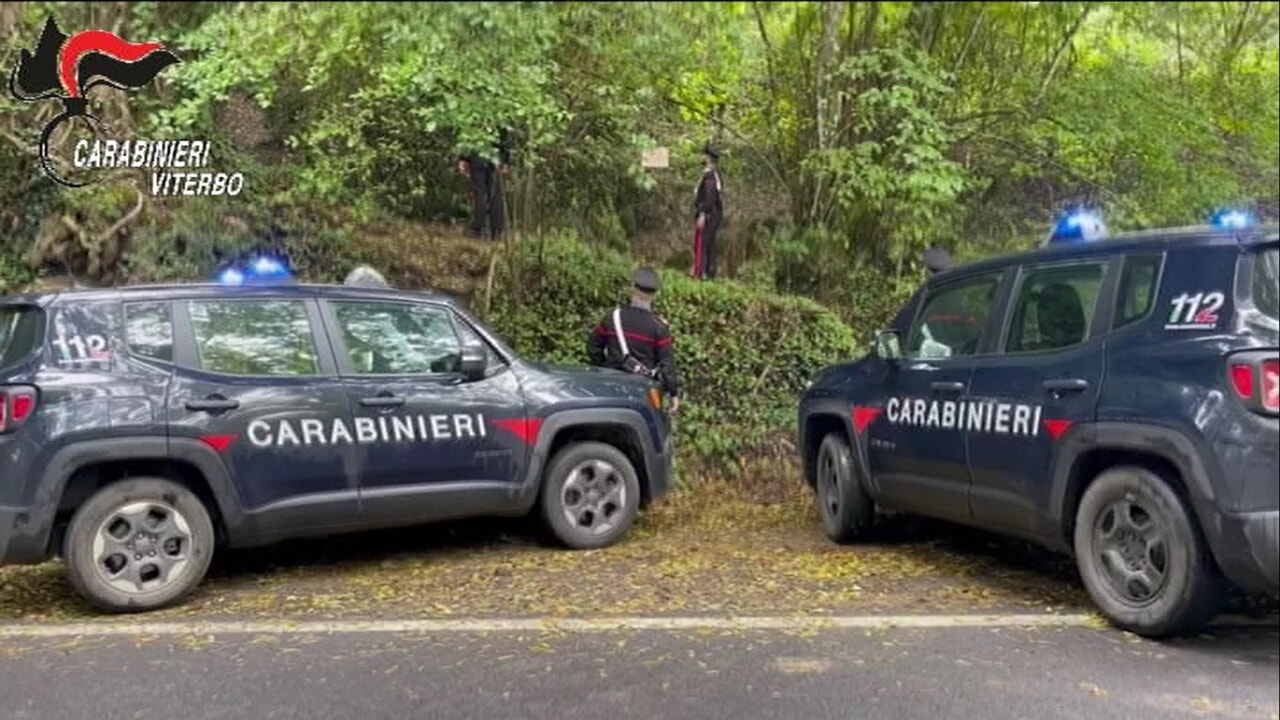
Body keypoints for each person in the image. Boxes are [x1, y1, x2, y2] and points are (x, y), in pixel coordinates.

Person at [587, 267, 682, 413]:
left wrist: (604, 367)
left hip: (611, 387)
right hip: (642, 394)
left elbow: (593, 346)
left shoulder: (613, 317)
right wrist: (673, 393)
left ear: (632, 289)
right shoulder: (659, 327)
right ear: (654, 295)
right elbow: (666, 365)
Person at [456, 129, 511, 240]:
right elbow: (504, 139)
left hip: (480, 156)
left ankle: (480, 228)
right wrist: (505, 161)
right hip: (493, 157)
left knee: (481, 193)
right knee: (493, 193)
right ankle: (494, 229)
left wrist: (463, 158)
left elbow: (468, 135)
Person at [690, 143, 724, 280]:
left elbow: (710, 196)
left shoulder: (710, 175)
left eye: (704, 154)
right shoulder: (711, 174)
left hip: (710, 213)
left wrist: (703, 213)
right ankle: (706, 272)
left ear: (709, 157)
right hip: (712, 213)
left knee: (704, 243)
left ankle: (703, 274)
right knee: (707, 243)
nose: (701, 157)